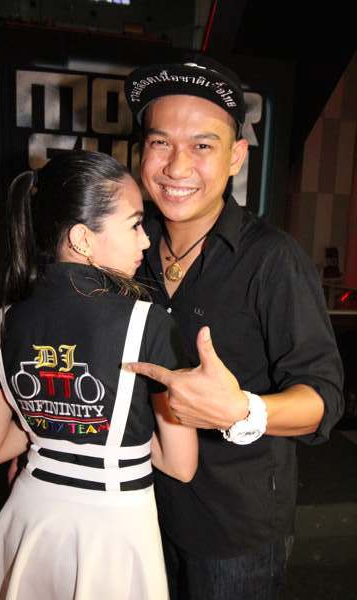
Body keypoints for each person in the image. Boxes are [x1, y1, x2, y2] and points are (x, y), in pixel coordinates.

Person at [124, 54, 344, 599]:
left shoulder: (272, 259)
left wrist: (244, 411)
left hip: (234, 531)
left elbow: (324, 400)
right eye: (160, 142)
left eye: (202, 145)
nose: (177, 168)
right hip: (137, 509)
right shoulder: (127, 250)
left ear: (236, 157)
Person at [0, 151, 198, 600]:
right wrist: (104, 423)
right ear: (82, 238)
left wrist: (49, 420)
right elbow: (181, 464)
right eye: (134, 225)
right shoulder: (149, 323)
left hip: (32, 515)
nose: (146, 240)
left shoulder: (4, 322)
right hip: (116, 524)